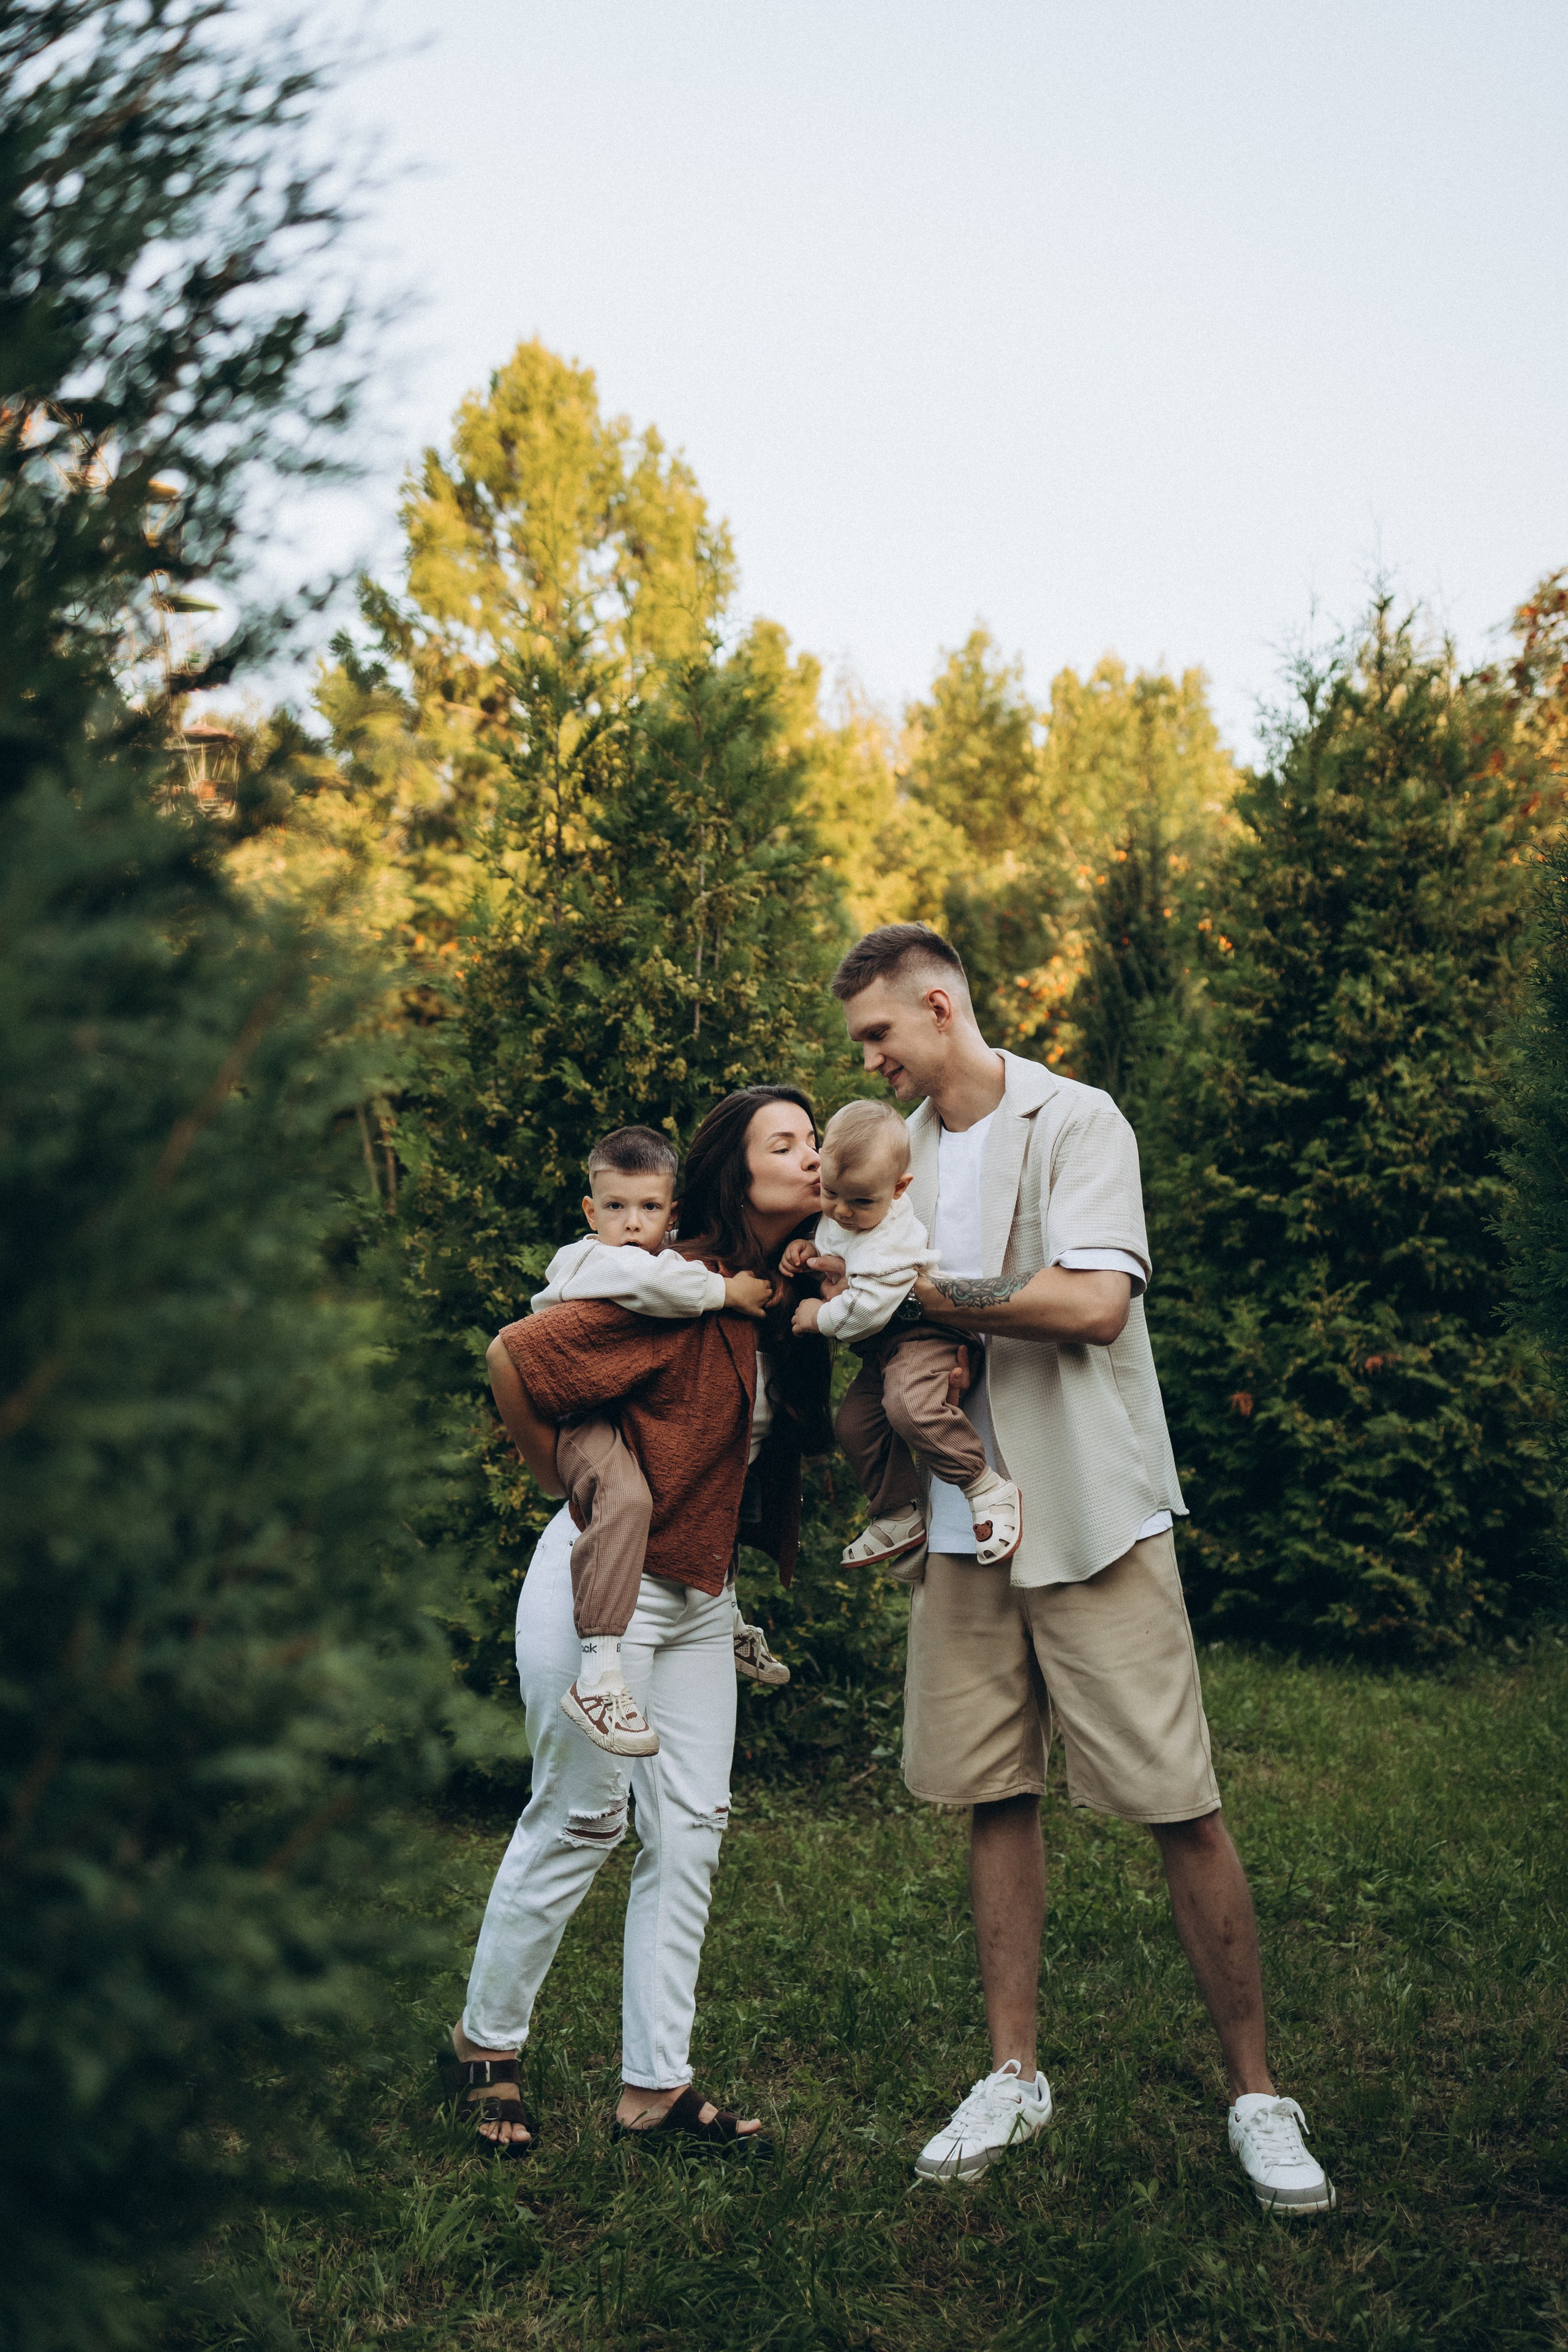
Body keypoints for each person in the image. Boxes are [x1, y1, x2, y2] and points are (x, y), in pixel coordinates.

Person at [822, 924, 1333, 2213]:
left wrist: (923, 1296)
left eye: (878, 1034)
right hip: (960, 1527)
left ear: (940, 1007)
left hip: (1091, 1514)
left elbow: (1094, 1306)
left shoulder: (1078, 1119)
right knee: (994, 1795)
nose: (868, 1060)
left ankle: (1257, 2095)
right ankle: (1013, 2075)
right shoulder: (897, 1154)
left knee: (1178, 1800)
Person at [441, 1087, 830, 2158]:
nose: (813, 1156)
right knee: (582, 1820)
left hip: (701, 1595)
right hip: (603, 1585)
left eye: (817, 1141)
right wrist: (563, 1484)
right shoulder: (666, 1280)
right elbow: (517, 1355)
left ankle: (654, 2089)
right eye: (787, 1143)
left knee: (692, 1831)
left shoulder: (786, 1295)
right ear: (735, 1171)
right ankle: (485, 2044)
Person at [524, 1121, 780, 1757]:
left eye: (649, 1208)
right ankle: (597, 1672)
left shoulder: (665, 1259)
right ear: (591, 1212)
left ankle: (722, 1611)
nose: (632, 1223)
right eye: (615, 1207)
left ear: (672, 1213)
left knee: (707, 1462)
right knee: (628, 1498)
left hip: (617, 1412)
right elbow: (650, 1286)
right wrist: (727, 1291)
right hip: (582, 1419)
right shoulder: (588, 1259)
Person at [783, 1098, 1022, 1570]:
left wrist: (818, 1317)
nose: (843, 1211)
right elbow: (838, 1244)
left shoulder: (890, 1239)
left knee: (910, 1406)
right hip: (888, 1349)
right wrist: (807, 1247)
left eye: (861, 1201)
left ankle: (985, 1488)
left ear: (899, 1189)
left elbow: (867, 1309)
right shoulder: (847, 1208)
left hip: (927, 1336)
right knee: (855, 1424)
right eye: (831, 1194)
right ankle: (897, 1513)